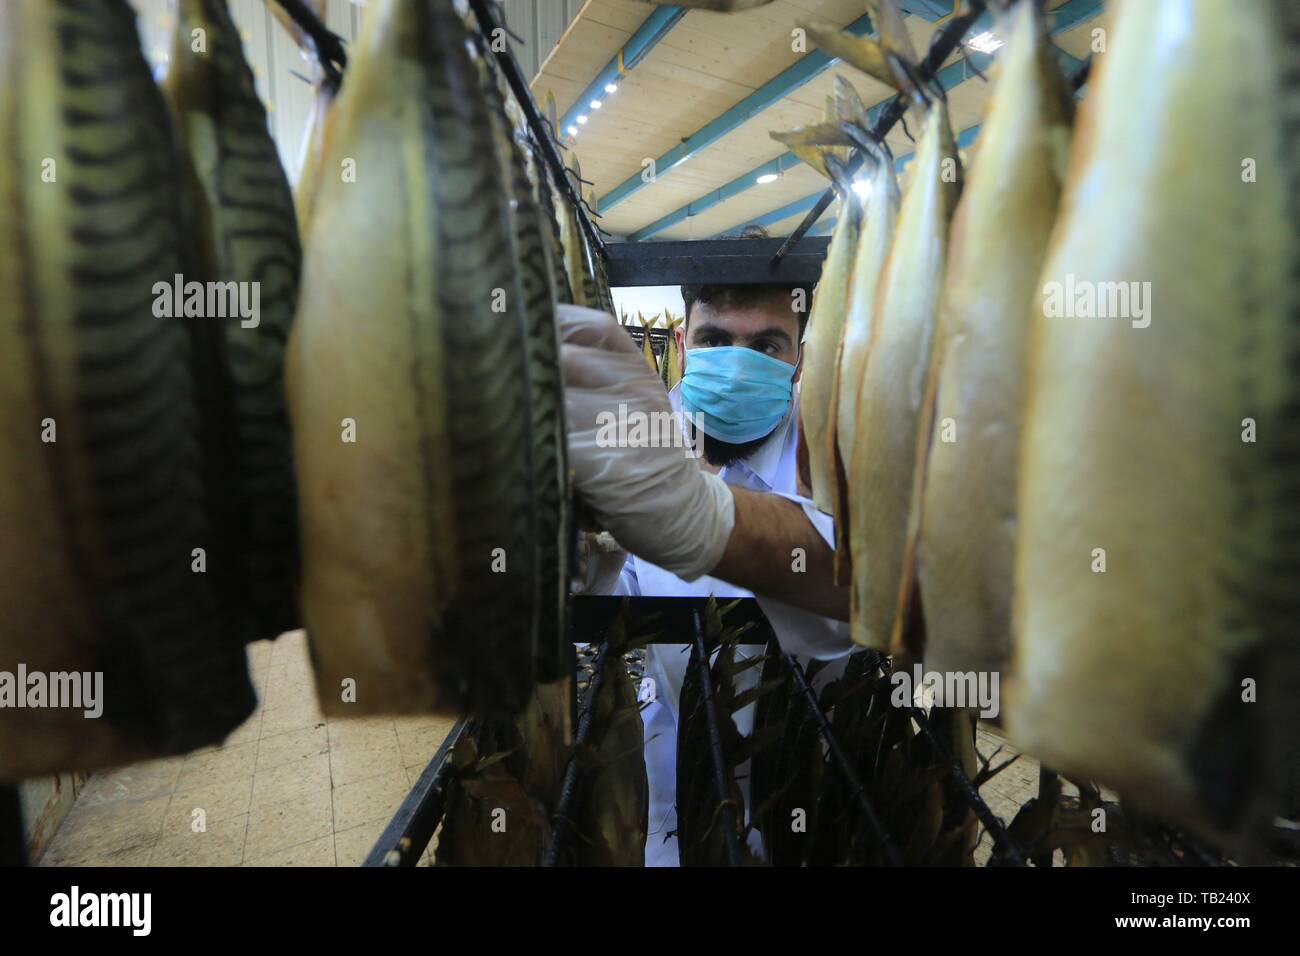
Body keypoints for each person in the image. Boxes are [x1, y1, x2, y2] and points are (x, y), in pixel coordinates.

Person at [560, 262, 856, 866]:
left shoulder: (832, 445)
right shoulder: (638, 437)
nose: (737, 362)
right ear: (681, 343)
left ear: (798, 358)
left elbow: (850, 589)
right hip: (678, 778)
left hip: (812, 775)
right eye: (715, 340)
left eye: (765, 344)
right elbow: (610, 601)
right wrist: (581, 568)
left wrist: (698, 509)